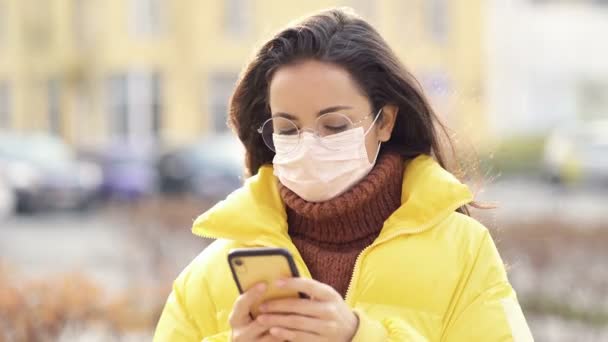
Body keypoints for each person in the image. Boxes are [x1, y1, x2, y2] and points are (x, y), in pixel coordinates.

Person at [154, 7, 533, 341]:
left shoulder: (463, 251)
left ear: (384, 121)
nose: (309, 144)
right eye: (287, 129)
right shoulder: (210, 276)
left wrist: (358, 337)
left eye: (333, 126)